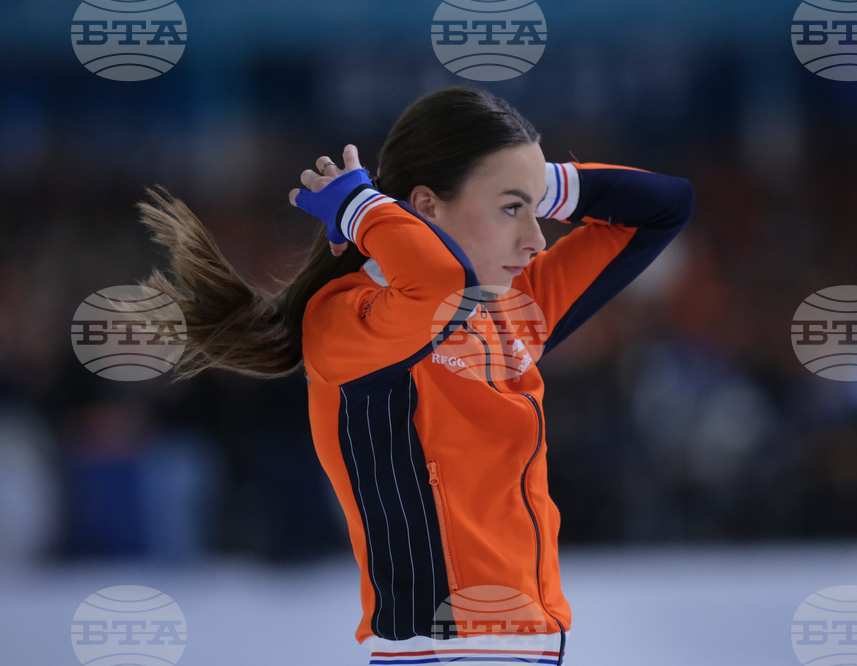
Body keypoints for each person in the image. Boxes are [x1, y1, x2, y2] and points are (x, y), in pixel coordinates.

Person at [136, 84, 694, 665]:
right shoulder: (348, 315)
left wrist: (533, 182)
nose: (535, 240)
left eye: (535, 210)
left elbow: (665, 206)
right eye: (510, 210)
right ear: (426, 206)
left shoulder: (510, 306)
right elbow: (438, 285)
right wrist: (365, 208)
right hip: (440, 649)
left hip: (528, 646)